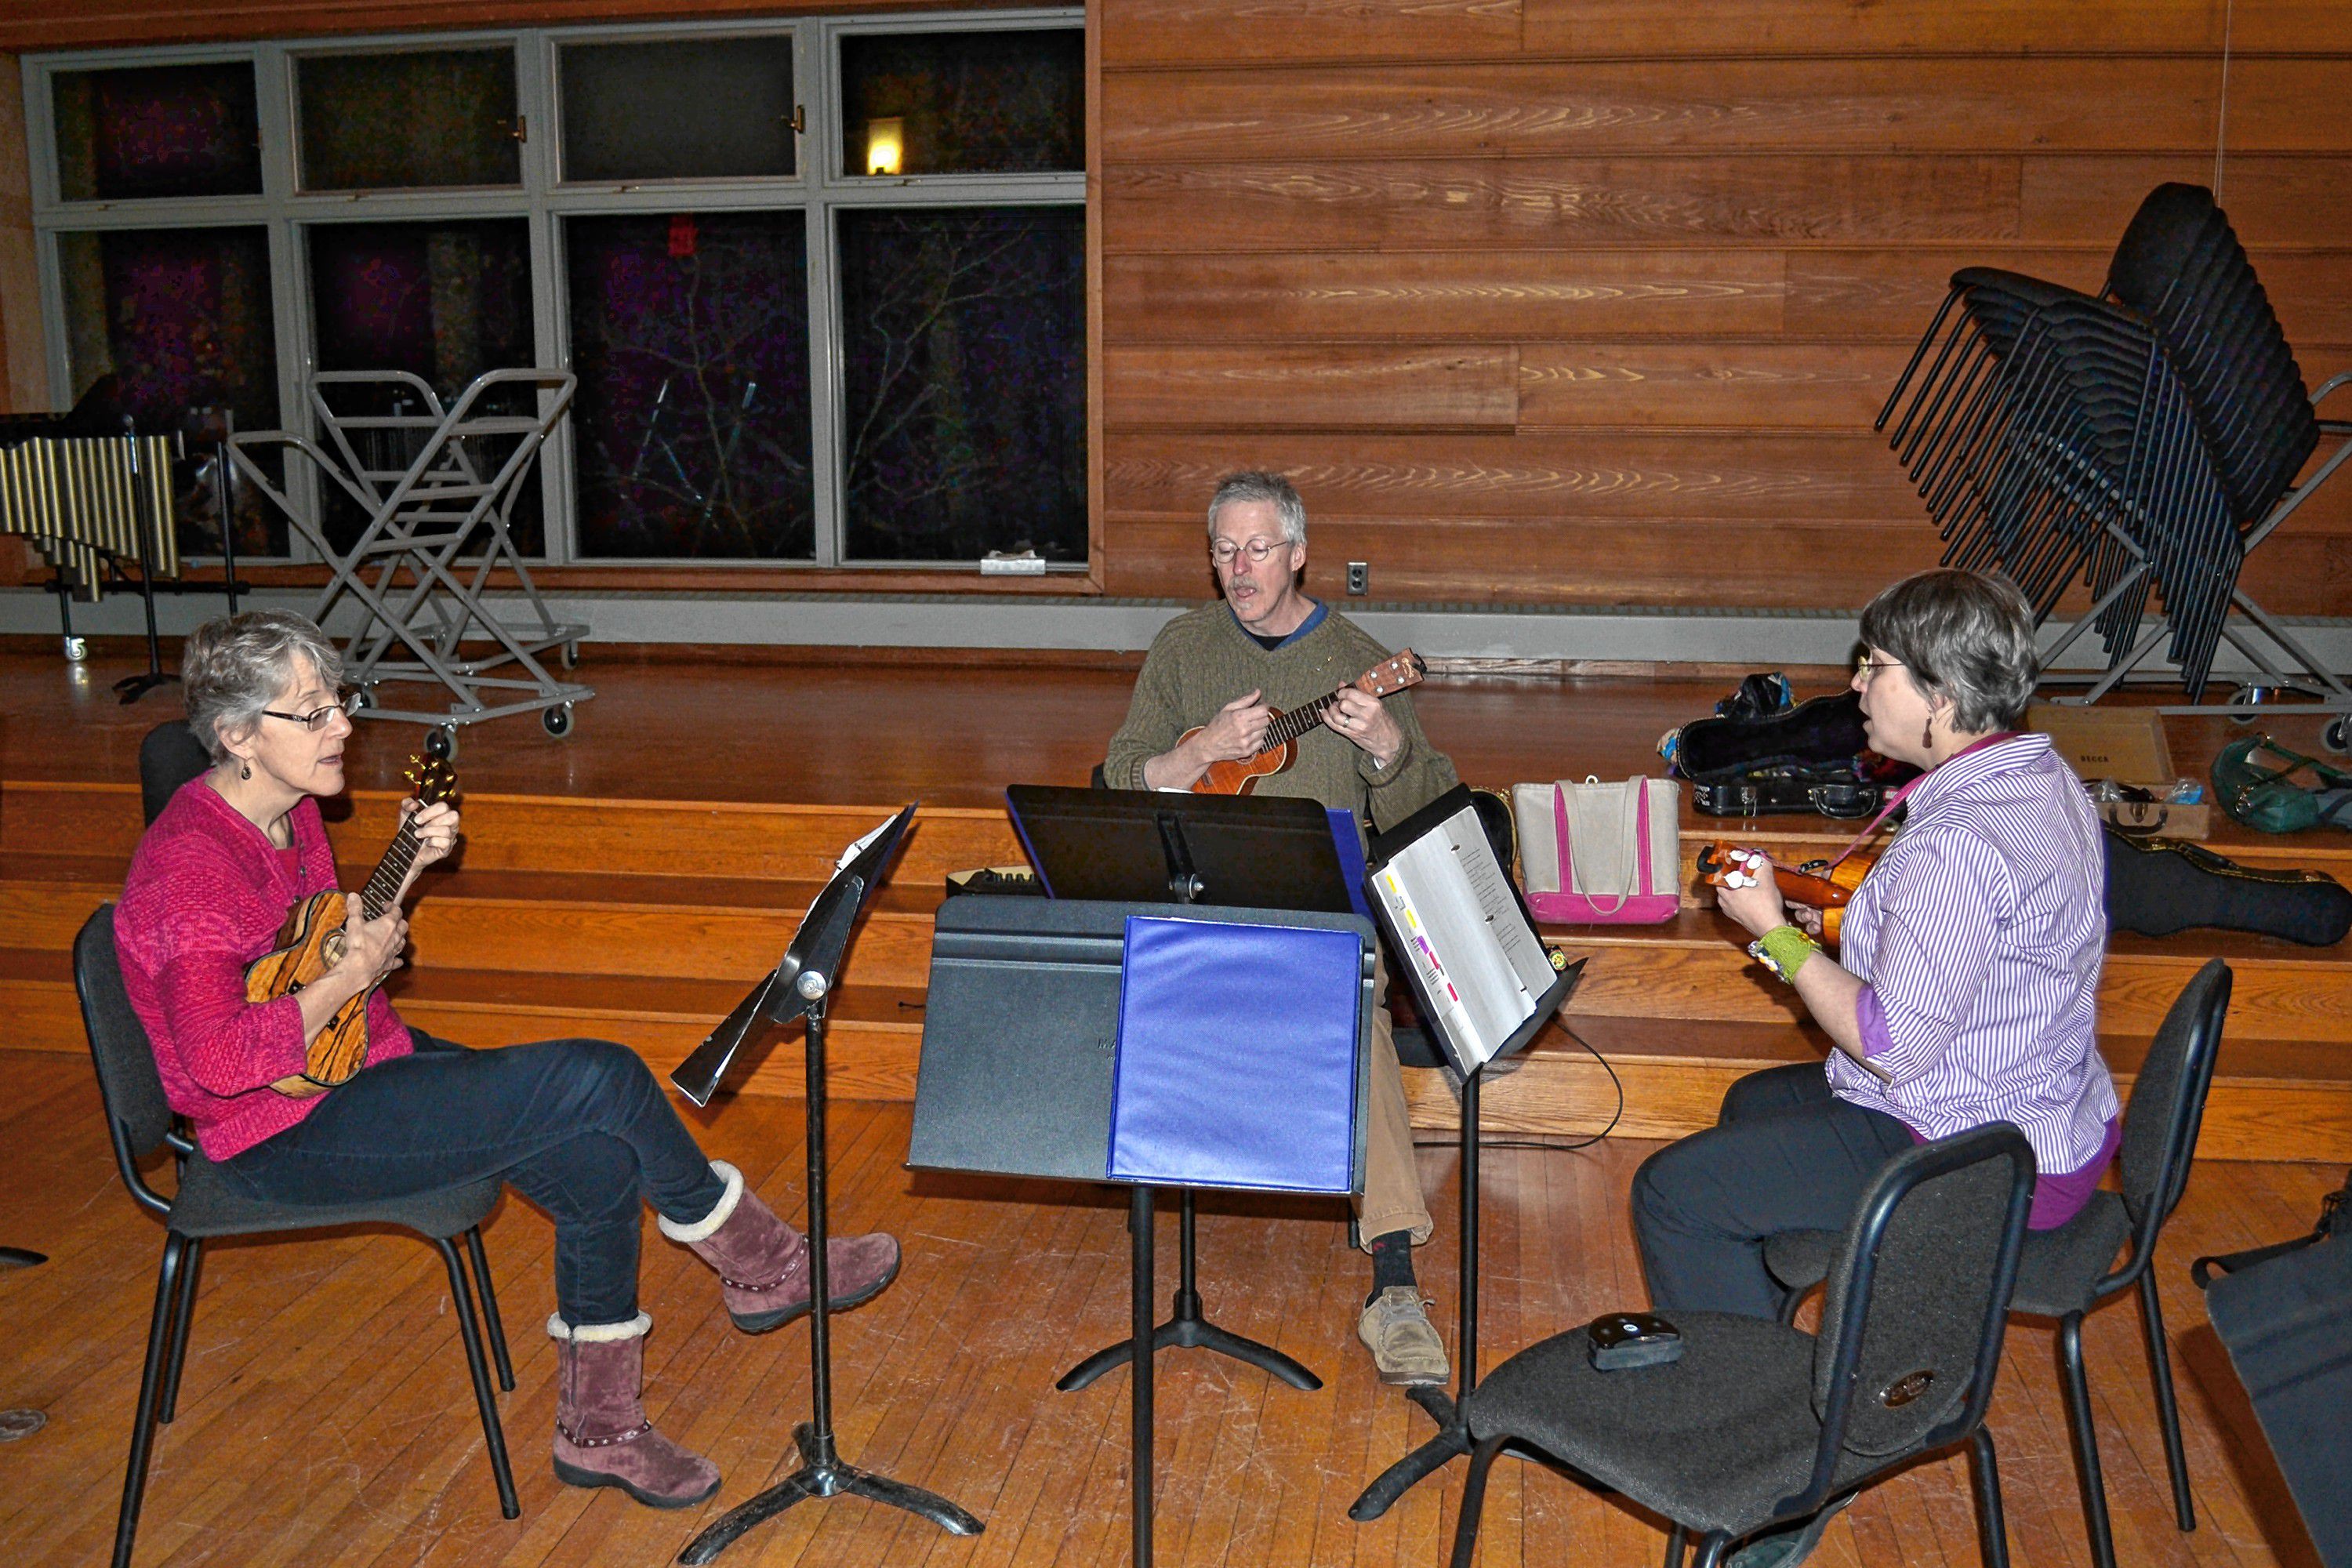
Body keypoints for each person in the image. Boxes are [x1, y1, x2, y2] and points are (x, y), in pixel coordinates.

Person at [114, 610, 903, 1511]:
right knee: (601, 1073)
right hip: (270, 1135)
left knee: (598, 1157)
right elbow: (219, 1055)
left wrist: (405, 865)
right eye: (312, 712)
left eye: (341, 701)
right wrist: (351, 982)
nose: (342, 726)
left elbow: (317, 949)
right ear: (237, 735)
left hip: (353, 1069)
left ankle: (600, 1432)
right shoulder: (192, 868)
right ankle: (761, 1262)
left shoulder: (289, 813)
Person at [1632, 568, 2117, 1565]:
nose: (1856, 681)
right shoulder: (2038, 776)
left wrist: (1777, 934)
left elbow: (1893, 1039)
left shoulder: (1959, 840)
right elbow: (1970, 955)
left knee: (1673, 1191)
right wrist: (1836, 925)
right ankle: (1780, 1383)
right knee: (1750, 1103)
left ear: (1941, 696)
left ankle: (1768, 1492)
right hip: (2044, 1119)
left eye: (1878, 665)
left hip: (1969, 1157)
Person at [1103, 471, 1461, 1385]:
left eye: (1259, 547)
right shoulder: (1183, 648)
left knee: (1361, 1013)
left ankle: (1394, 1280)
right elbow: (1116, 779)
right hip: (1201, 910)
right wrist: (1195, 753)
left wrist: (1386, 747)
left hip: (1317, 928)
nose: (1240, 566)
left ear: (1300, 552)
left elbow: (1428, 805)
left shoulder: (1358, 654)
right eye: (1224, 548)